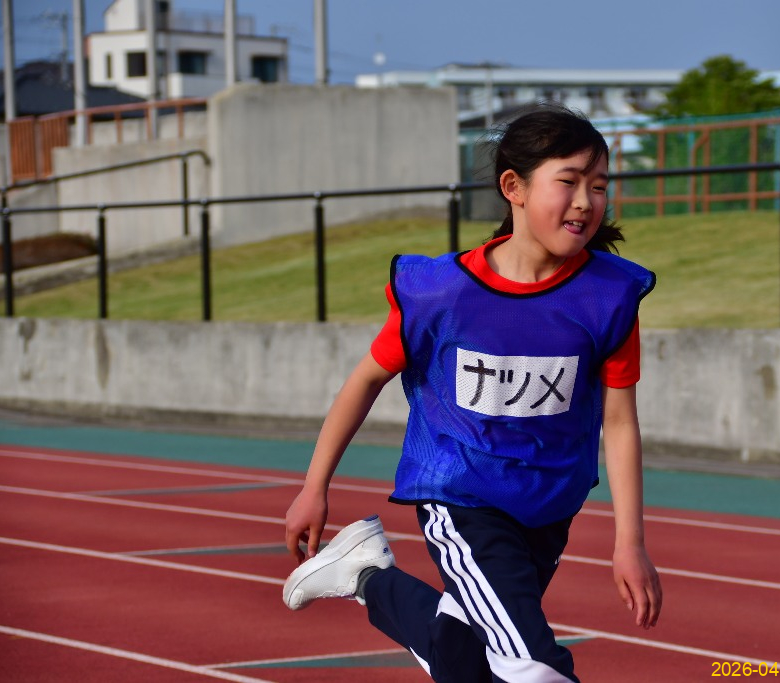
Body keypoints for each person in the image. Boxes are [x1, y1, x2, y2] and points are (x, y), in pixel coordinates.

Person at [282, 104, 662, 682]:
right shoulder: (442, 294)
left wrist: (629, 541)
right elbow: (366, 379)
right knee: (533, 666)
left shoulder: (607, 298)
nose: (586, 201)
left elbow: (621, 421)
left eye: (599, 186)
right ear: (514, 187)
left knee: (465, 664)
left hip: (548, 506)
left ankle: (364, 576)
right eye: (568, 182)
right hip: (461, 495)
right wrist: (314, 487)